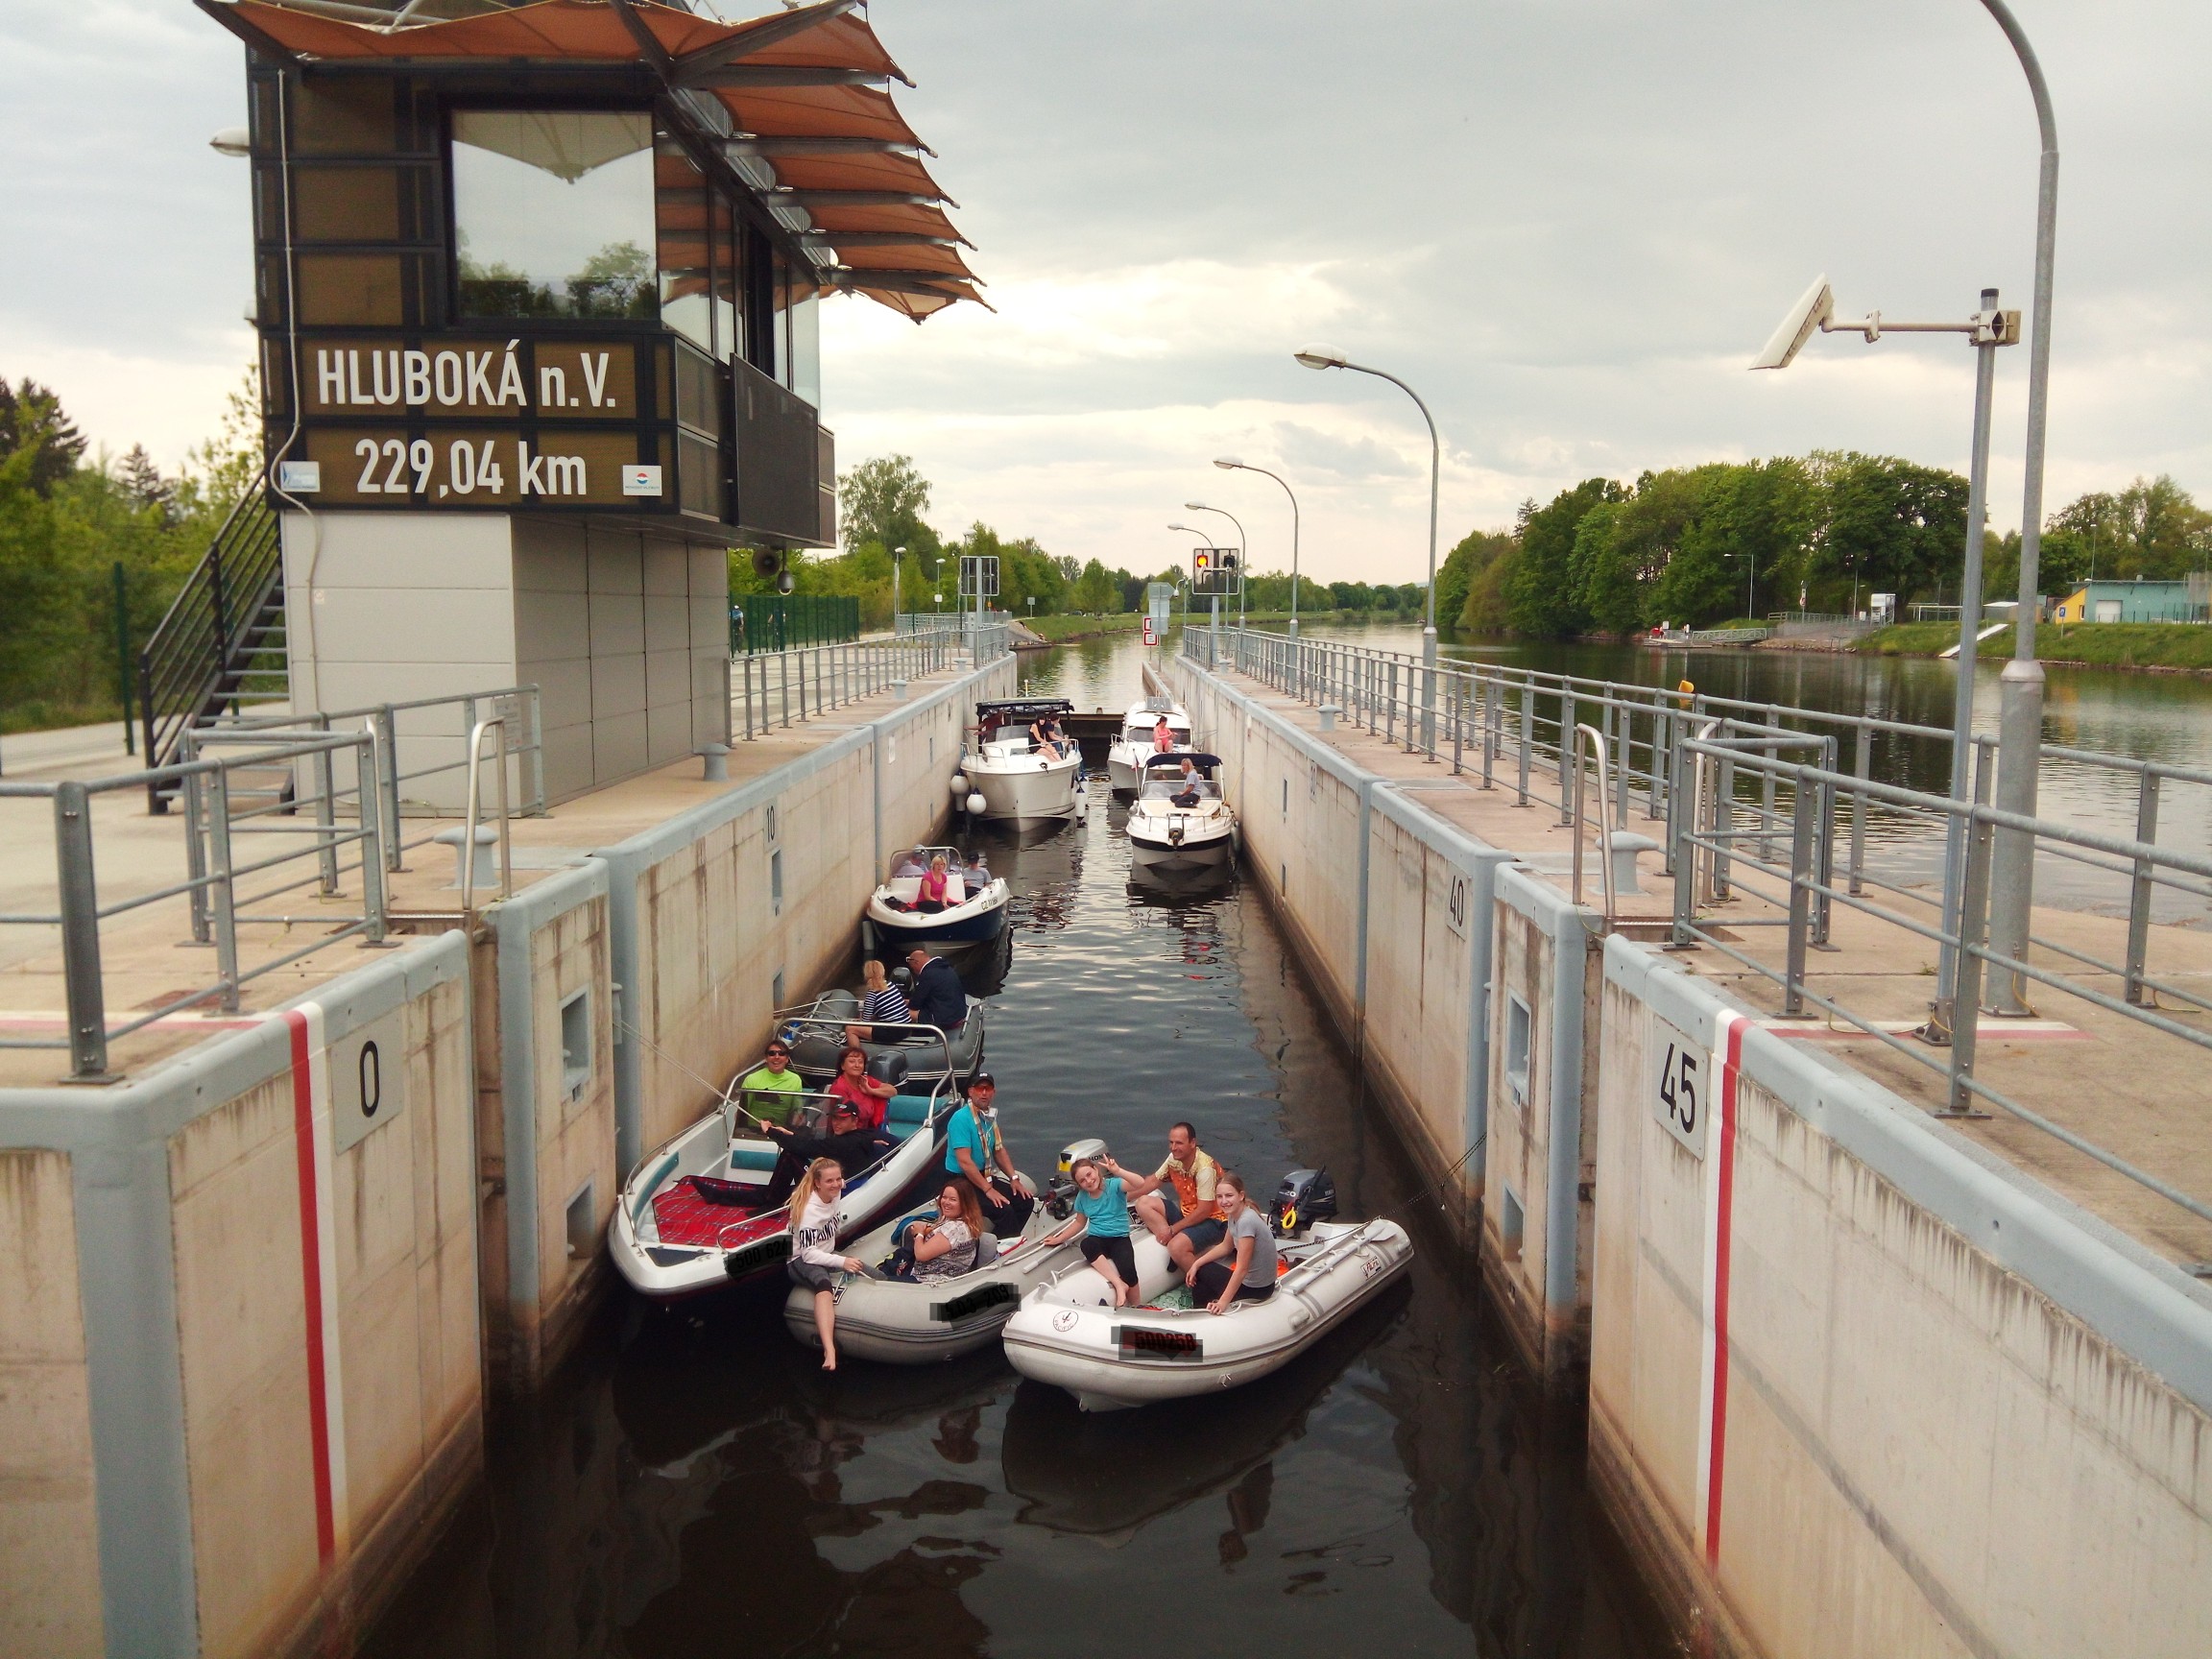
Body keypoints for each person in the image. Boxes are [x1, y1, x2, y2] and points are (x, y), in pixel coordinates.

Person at [1102, 1122, 1223, 1272]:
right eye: (1171, 1142)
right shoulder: (1174, 1159)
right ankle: (1176, 1248)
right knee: (1143, 1203)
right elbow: (1153, 1181)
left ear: (1193, 1143)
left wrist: (1172, 1229)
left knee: (1177, 1246)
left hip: (1214, 1221)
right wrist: (1118, 1198)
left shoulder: (1205, 1169)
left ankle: (1194, 1272)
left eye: (1179, 1143)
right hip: (1187, 1213)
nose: (1173, 1147)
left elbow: (1204, 1211)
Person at [786, 1159, 871, 1370]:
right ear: (817, 1183)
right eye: (829, 1181)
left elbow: (846, 1180)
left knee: (868, 1272)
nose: (836, 1184)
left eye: (838, 1179)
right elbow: (809, 1255)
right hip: (801, 1260)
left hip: (826, 1253)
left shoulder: (836, 1190)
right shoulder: (809, 1212)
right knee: (823, 1285)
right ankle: (829, 1350)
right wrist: (842, 1261)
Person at [1043, 1157, 1139, 1308]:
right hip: (1098, 1238)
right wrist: (1059, 1239)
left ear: (1096, 1170)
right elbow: (1079, 1223)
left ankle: (1137, 1305)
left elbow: (1139, 1183)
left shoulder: (1114, 1185)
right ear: (1079, 1184)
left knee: (1129, 1271)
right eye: (1082, 1180)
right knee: (1087, 1244)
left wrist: (1118, 1171)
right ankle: (1118, 1284)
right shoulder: (1082, 1198)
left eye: (1089, 1174)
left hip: (1119, 1238)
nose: (1088, 1181)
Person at [945, 1072, 1034, 1232]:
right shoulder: (961, 1119)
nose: (984, 1093)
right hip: (961, 1181)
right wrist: (988, 1190)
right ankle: (1003, 1243)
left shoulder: (989, 1117)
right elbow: (965, 1162)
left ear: (994, 1092)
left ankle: (1006, 1238)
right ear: (971, 1092)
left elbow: (998, 1150)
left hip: (983, 1174)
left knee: (1025, 1201)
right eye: (980, 1089)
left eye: (988, 1089)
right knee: (1004, 1210)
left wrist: (1014, 1178)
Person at [1186, 1170, 1278, 1312]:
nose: (1224, 1201)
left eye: (1229, 1196)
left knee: (1203, 1272)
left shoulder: (1246, 1221)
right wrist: (1196, 1263)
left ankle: (1200, 1311)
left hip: (1257, 1289)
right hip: (1255, 1284)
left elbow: (1242, 1269)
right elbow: (1225, 1247)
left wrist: (1222, 1303)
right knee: (1201, 1270)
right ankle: (1202, 1308)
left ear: (1241, 1196)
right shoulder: (1235, 1214)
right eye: (1219, 1197)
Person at [759, 1096, 879, 1204]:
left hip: (838, 1194)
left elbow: (807, 1147)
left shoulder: (843, 1143)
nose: (836, 1123)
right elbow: (815, 1144)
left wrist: (770, 1131)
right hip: (845, 1186)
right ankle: (773, 1195)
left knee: (790, 1155)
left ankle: (770, 1199)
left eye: (842, 1119)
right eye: (834, 1118)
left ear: (855, 1121)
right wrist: (790, 1134)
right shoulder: (863, 1136)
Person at [897, 1180, 985, 1283]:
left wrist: (918, 1234)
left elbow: (921, 1255)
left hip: (929, 1282)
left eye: (953, 1199)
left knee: (883, 1284)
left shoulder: (955, 1228)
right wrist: (928, 1231)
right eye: (944, 1197)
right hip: (927, 1276)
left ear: (965, 1203)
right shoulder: (959, 1221)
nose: (946, 1202)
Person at [824, 1045, 896, 1132]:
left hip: (867, 1130)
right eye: (852, 1062)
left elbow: (892, 1091)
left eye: (860, 1062)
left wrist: (870, 1091)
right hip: (849, 1132)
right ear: (843, 1066)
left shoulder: (866, 1080)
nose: (857, 1065)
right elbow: (844, 1120)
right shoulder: (839, 1087)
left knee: (892, 1139)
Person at [735, 1039, 805, 1127]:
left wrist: (798, 1121)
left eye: (781, 1053)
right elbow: (741, 1113)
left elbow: (797, 1111)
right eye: (772, 1053)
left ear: (787, 1059)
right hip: (753, 1130)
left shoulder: (795, 1080)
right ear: (766, 1058)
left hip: (780, 1131)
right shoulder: (751, 1079)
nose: (776, 1057)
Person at [845, 957, 912, 1045]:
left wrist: (857, 1021)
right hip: (906, 1028)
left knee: (850, 1029)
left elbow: (865, 1022)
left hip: (893, 1032)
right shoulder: (891, 985)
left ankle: (856, 1052)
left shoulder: (872, 993)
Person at [905, 946, 967, 1033]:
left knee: (904, 1012)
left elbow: (915, 1005)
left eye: (912, 968)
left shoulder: (927, 975)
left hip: (944, 1020)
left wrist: (904, 1004)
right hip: (956, 1013)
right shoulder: (945, 968)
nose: (914, 972)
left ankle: (901, 1033)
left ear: (916, 963)